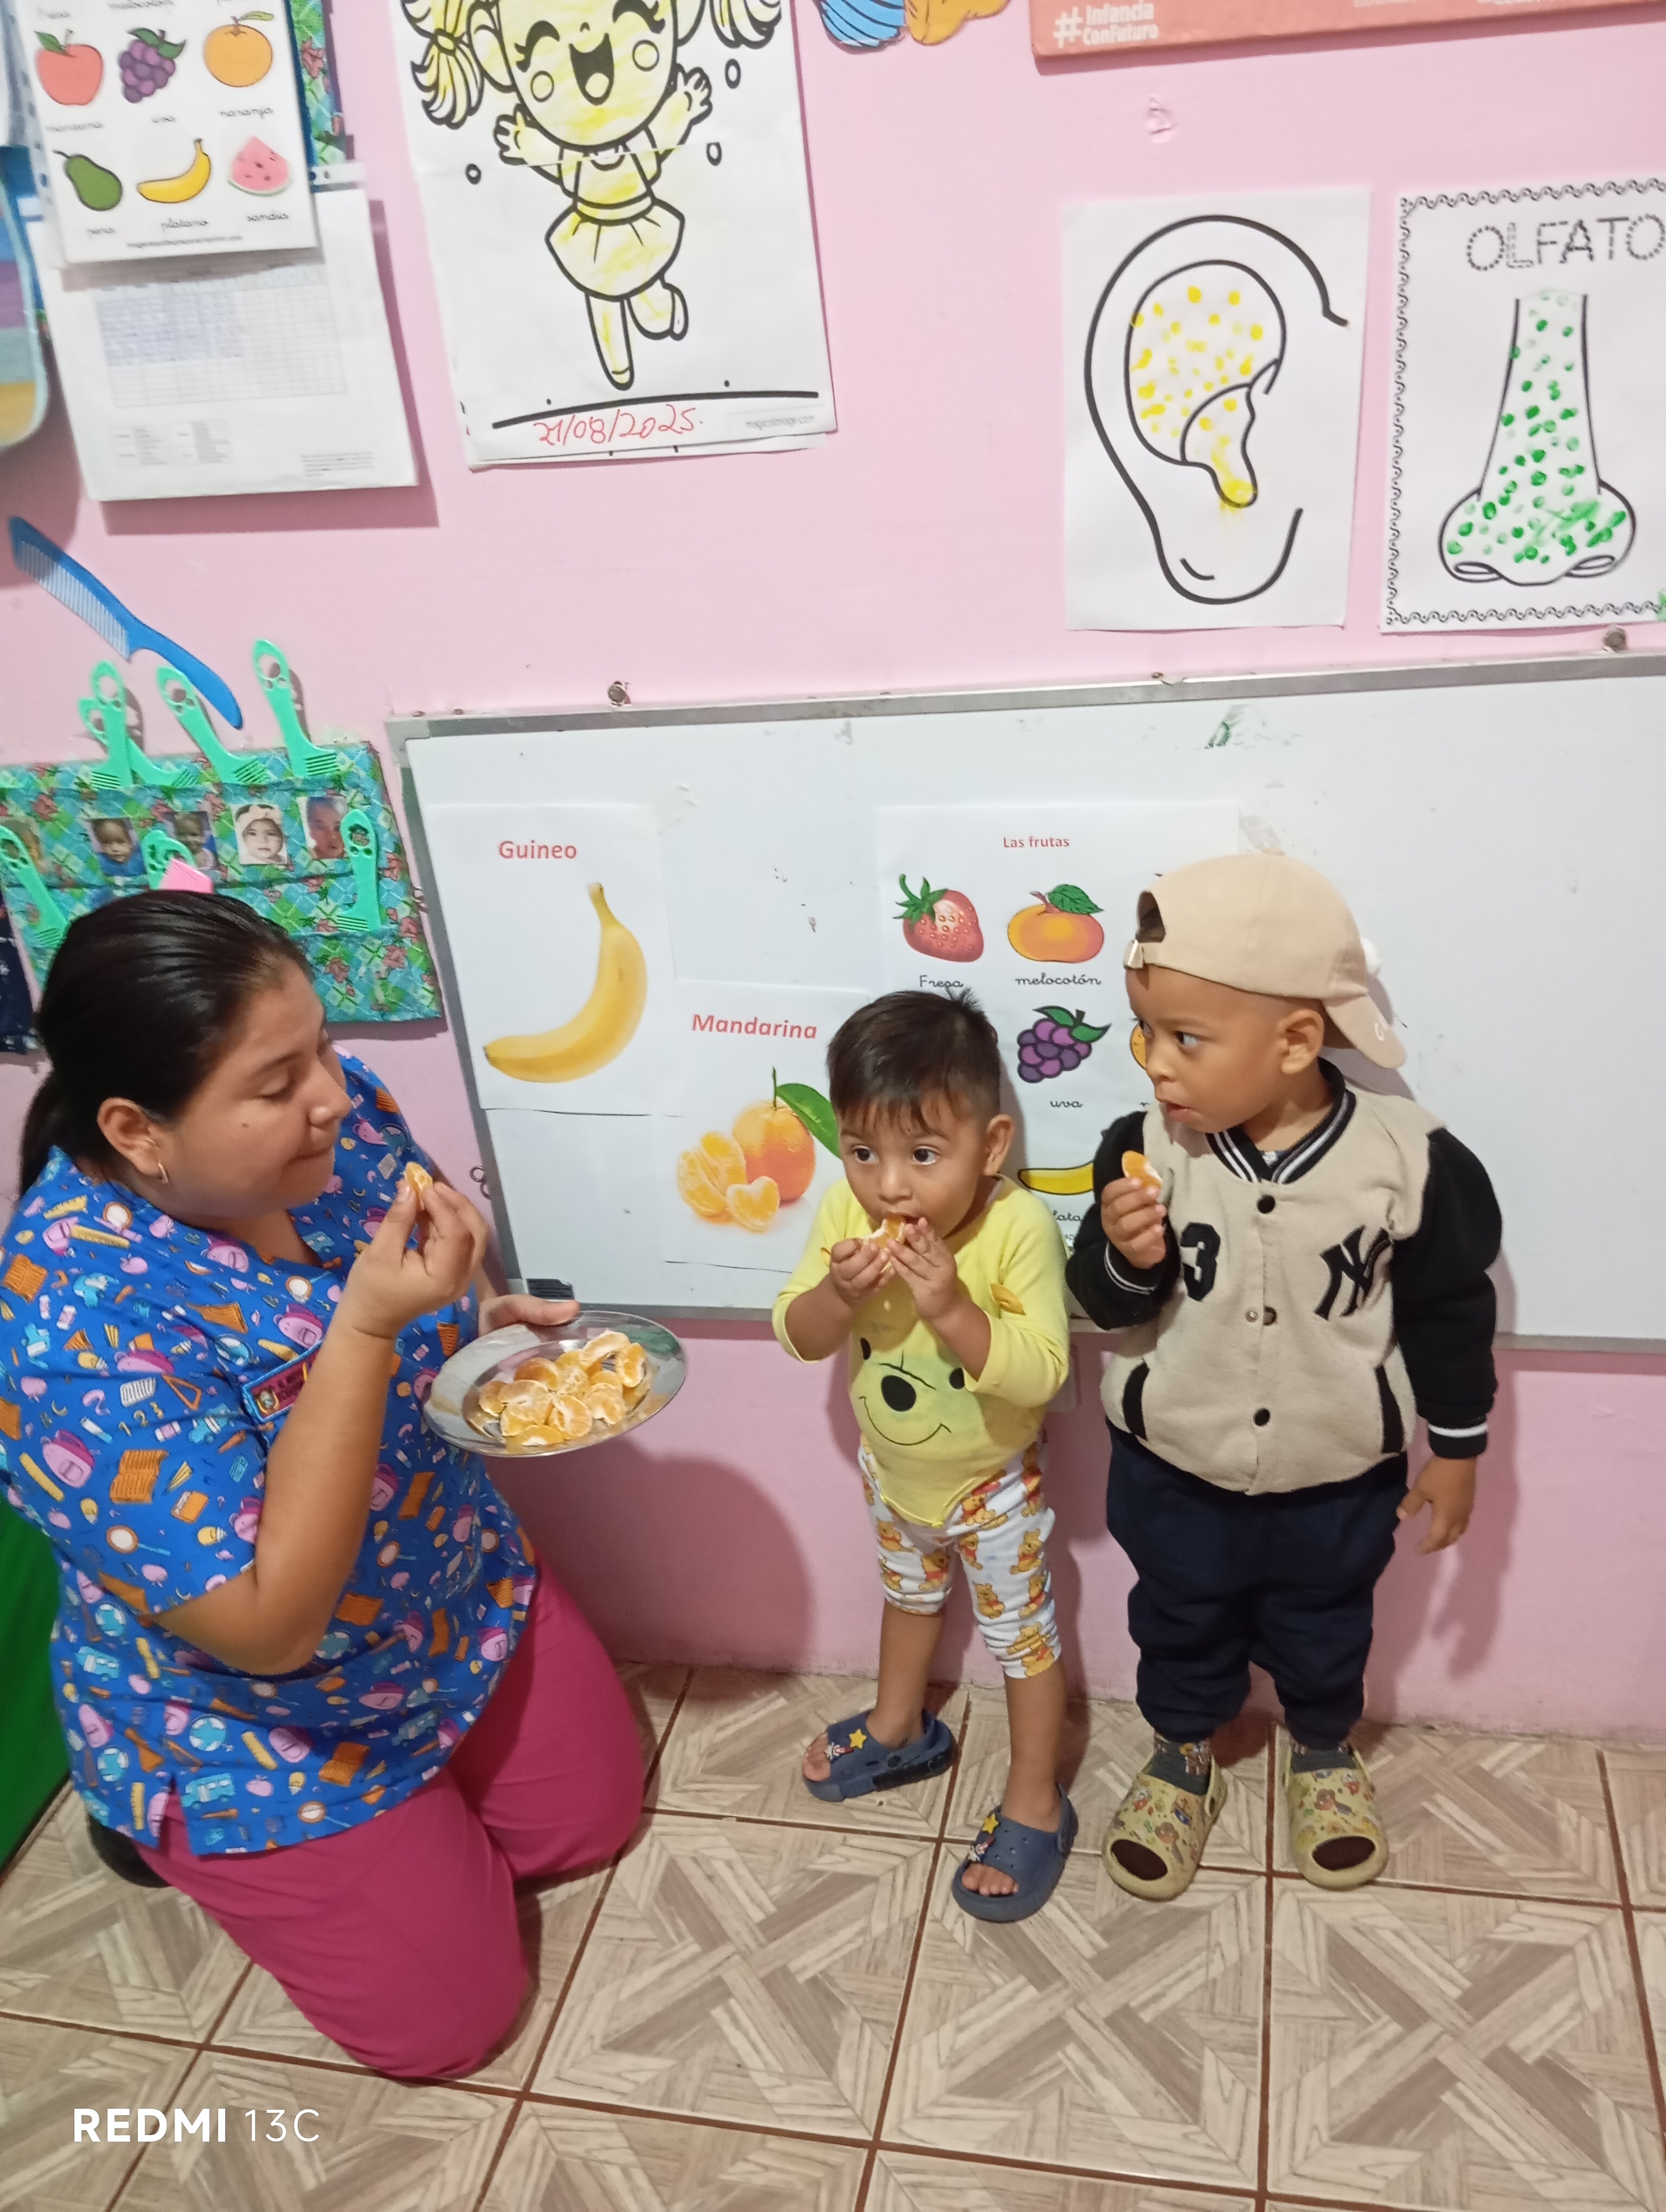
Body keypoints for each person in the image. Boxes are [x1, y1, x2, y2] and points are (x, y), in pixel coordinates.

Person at [0, 895, 640, 2077]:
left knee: (588, 1825)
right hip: (258, 1713)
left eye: (325, 1047)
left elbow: (444, 1262)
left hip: (448, 1590)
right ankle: (163, 1824)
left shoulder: (342, 1127)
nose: (335, 1095)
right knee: (450, 2024)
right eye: (277, 1079)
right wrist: (363, 1332)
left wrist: (482, 1318)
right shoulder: (69, 1326)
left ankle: (419, 1824)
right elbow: (267, 1627)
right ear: (137, 1130)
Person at [1067, 854, 1501, 1899]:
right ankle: (1183, 1753)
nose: (1155, 1065)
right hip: (1174, 1466)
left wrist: (1457, 1450)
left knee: (1327, 1622)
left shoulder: (1412, 1161)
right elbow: (1102, 1303)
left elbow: (1449, 1311)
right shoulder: (1142, 1149)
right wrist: (1123, 1257)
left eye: (1186, 1038)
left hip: (1336, 1475)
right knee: (1179, 1616)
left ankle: (1322, 1749)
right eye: (1145, 1032)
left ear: (1297, 1041)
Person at [773, 988, 1074, 1921]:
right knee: (906, 1600)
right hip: (893, 1478)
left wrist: (950, 1307)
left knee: (1024, 1643)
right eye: (864, 1152)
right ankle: (899, 1725)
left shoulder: (1018, 1227)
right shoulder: (843, 1211)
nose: (890, 1187)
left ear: (990, 1145)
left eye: (924, 1155)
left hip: (994, 1490)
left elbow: (1044, 1373)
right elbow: (798, 1336)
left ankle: (1036, 1798)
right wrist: (837, 1294)